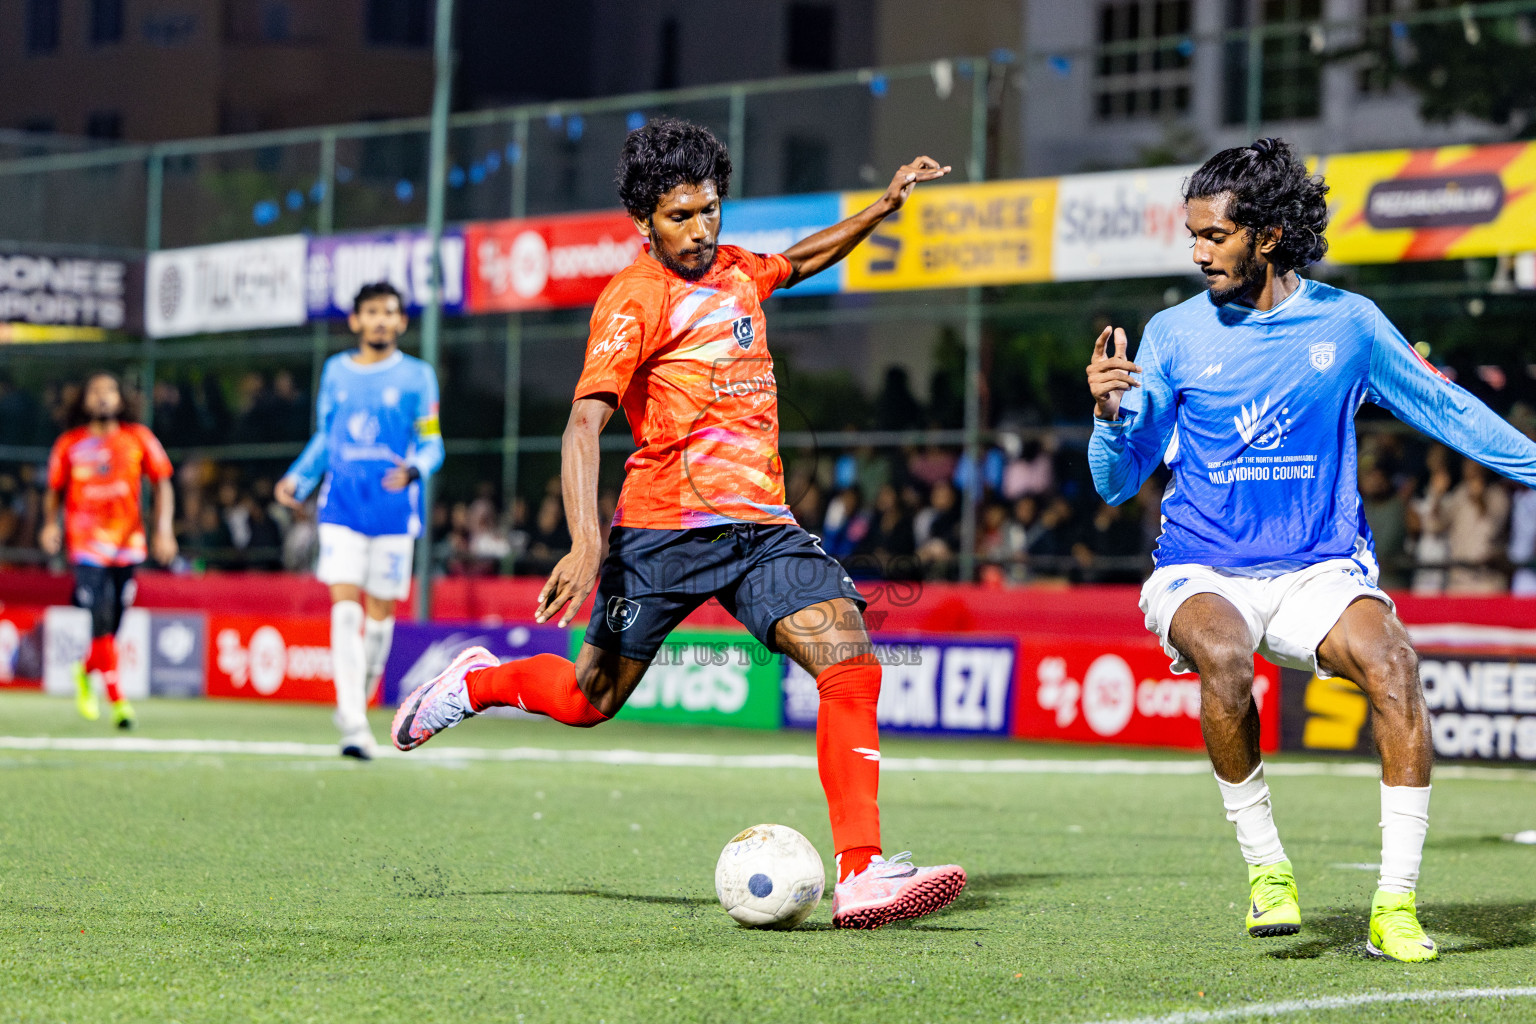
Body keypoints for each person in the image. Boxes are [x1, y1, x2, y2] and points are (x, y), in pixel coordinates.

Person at [391, 118, 966, 929]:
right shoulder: (634, 299)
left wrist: (883, 206)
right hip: (661, 534)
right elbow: (583, 425)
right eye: (680, 216)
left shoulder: (737, 270)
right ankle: (476, 683)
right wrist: (586, 541)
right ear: (643, 220)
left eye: (710, 210)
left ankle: (862, 873)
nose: (700, 230)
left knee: (851, 661)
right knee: (589, 699)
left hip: (761, 530)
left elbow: (800, 260)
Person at [1084, 138, 1536, 963]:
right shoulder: (1173, 334)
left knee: (1395, 666)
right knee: (1226, 657)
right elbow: (1116, 483)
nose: (1198, 253)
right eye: (1193, 236)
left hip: (1318, 567)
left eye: (1214, 235)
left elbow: (1449, 410)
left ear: (1267, 236)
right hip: (1201, 565)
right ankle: (1268, 871)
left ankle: (1394, 906)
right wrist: (1110, 419)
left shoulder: (1348, 324)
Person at [276, 281, 443, 760]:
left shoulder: (418, 376)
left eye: (388, 312)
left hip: (394, 514)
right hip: (341, 510)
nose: (379, 320)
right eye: (371, 312)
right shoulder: (336, 372)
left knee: (379, 621)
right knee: (345, 609)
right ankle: (353, 722)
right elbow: (326, 437)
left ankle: (358, 699)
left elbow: (432, 442)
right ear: (355, 321)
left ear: (401, 322)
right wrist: (298, 478)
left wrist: (416, 468)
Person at [39, 372, 176, 728]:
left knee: (113, 621)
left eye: (110, 390)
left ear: (120, 399)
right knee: (99, 611)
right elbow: (54, 490)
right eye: (95, 391)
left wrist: (164, 530)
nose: (103, 397)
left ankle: (84, 671)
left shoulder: (138, 438)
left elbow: (162, 482)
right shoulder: (69, 444)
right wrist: (50, 524)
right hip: (85, 544)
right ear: (84, 400)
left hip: (127, 543)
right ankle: (118, 701)